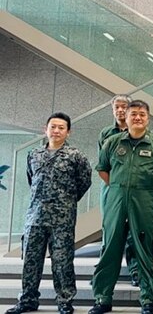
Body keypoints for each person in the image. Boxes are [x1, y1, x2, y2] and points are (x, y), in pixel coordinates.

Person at [90, 100, 153, 314]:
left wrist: (144, 190)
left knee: (143, 248)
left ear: (148, 118)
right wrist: (120, 187)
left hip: (144, 199)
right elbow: (103, 169)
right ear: (125, 118)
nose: (137, 117)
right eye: (133, 114)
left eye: (142, 114)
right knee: (110, 247)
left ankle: (147, 300)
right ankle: (102, 298)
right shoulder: (112, 142)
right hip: (116, 198)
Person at [5, 113, 91, 314]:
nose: (57, 130)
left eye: (61, 127)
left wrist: (67, 201)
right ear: (45, 129)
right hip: (35, 216)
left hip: (63, 218)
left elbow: (84, 182)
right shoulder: (34, 154)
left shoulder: (76, 156)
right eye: (53, 127)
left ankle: (64, 301)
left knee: (62, 262)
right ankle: (28, 300)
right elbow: (31, 180)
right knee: (30, 261)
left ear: (68, 132)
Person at [98, 94, 139, 287]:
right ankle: (104, 273)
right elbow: (102, 164)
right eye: (117, 107)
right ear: (113, 110)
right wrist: (112, 185)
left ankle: (135, 271)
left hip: (134, 190)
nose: (121, 111)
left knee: (133, 231)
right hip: (111, 188)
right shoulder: (106, 133)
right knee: (110, 230)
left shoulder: (138, 131)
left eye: (124, 107)